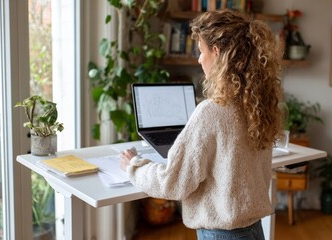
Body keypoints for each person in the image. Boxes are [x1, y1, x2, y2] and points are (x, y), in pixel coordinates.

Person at [119, 9, 284, 240]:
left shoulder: (211, 111)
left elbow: (173, 183)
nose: (199, 59)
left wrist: (134, 166)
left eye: (201, 51)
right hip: (254, 231)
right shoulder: (256, 106)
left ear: (216, 52)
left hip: (221, 235)